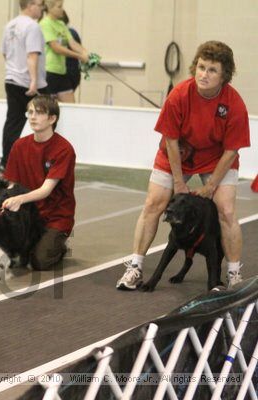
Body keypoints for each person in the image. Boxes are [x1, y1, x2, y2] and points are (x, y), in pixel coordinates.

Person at [116, 41, 251, 291]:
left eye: (212, 70)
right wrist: (178, 181)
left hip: (216, 157)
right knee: (154, 203)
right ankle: (134, 268)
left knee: (227, 210)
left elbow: (232, 150)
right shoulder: (179, 94)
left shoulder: (234, 104)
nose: (204, 74)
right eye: (201, 67)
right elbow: (170, 139)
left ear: (224, 75)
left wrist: (211, 186)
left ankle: (233, 275)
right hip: (178, 154)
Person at [1, 94, 76, 269]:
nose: (33, 117)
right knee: (13, 258)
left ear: (52, 118)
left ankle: (59, 245)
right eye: (30, 112)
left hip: (55, 216)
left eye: (39, 113)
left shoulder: (63, 149)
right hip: (28, 214)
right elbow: (12, 184)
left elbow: (46, 190)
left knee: (39, 262)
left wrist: (19, 199)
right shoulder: (19, 146)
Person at [0, 0, 48, 173]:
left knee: (13, 122)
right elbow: (32, 55)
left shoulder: (10, 25)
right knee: (47, 119)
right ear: (30, 5)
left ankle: (6, 162)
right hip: (28, 82)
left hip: (11, 79)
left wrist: (14, 69)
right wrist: (33, 81)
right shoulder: (32, 26)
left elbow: (5, 53)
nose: (42, 8)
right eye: (40, 4)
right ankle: (44, 161)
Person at [39, 0, 88, 103]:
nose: (62, 9)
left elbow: (72, 43)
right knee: (48, 108)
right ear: (50, 8)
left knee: (72, 107)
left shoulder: (61, 24)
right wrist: (79, 56)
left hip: (61, 72)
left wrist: (86, 53)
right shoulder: (45, 24)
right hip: (49, 72)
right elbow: (56, 47)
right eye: (59, 7)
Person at [59, 10, 82, 92]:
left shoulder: (65, 34)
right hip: (72, 73)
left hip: (67, 74)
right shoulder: (72, 32)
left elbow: (61, 49)